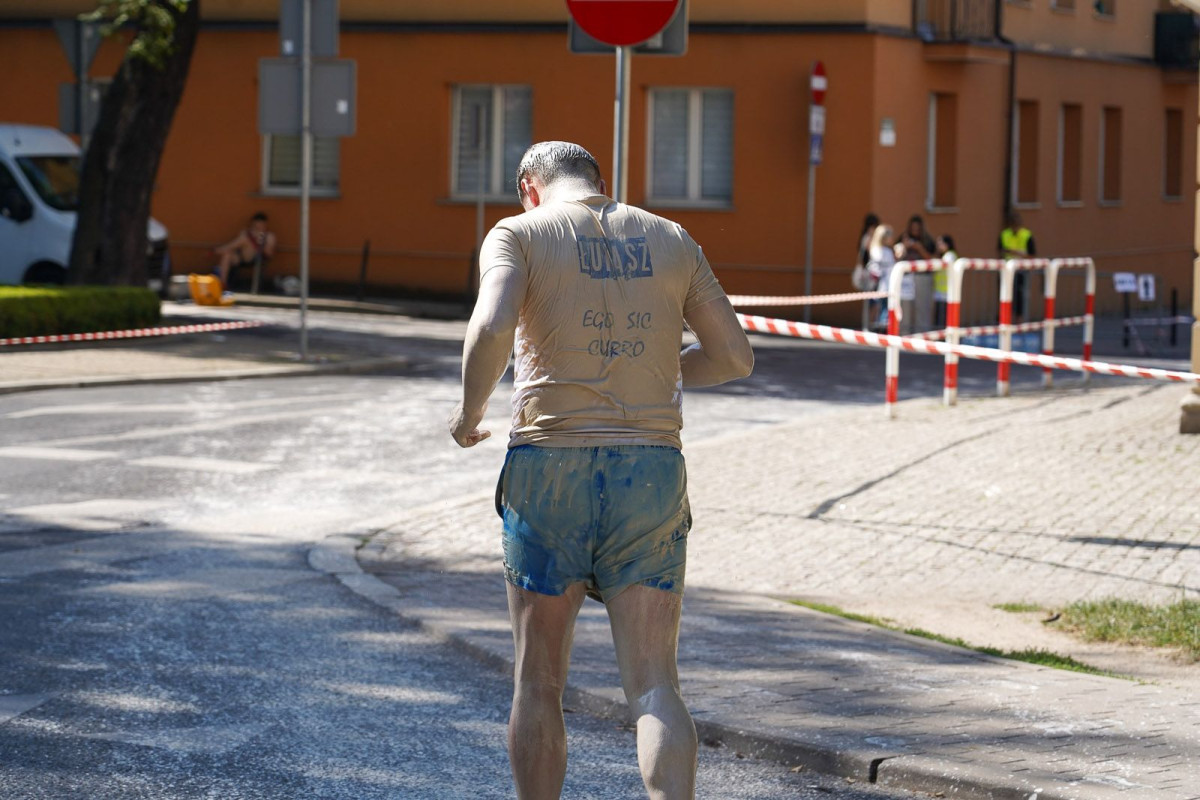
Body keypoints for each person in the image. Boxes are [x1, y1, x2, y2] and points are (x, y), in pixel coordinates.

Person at [448, 141, 753, 800]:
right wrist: (664, 372)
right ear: (600, 183)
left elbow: (494, 323)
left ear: (530, 186)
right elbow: (733, 357)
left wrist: (468, 412)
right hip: (649, 472)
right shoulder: (670, 237)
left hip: (548, 468)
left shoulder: (518, 234)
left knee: (538, 682)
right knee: (653, 683)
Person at [214, 212, 275, 289]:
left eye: (260, 225)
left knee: (245, 240)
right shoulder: (246, 234)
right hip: (242, 258)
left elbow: (269, 254)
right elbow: (235, 244)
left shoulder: (270, 236)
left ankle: (220, 250)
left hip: (257, 259)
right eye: (256, 225)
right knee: (227, 254)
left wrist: (261, 242)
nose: (258, 227)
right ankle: (223, 282)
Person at [897, 215, 936, 331]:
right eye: (912, 228)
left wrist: (919, 248)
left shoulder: (928, 240)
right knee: (905, 309)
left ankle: (923, 336)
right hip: (906, 278)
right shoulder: (902, 238)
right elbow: (897, 255)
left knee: (922, 309)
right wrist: (903, 247)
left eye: (917, 229)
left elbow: (931, 259)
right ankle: (904, 336)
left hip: (922, 277)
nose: (914, 231)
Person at [998, 211, 1036, 321]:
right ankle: (1006, 319)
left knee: (1020, 296)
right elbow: (1000, 250)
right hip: (1007, 270)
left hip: (1021, 270)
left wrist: (1016, 253)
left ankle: (1019, 319)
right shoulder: (1005, 234)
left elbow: (1032, 254)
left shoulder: (1026, 235)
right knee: (1006, 294)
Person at [934, 233, 957, 329]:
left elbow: (942, 265)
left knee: (943, 320)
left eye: (940, 243)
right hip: (940, 293)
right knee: (939, 319)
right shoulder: (943, 255)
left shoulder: (950, 255)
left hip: (946, 294)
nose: (938, 246)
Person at [852, 212, 880, 291]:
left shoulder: (864, 236)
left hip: (868, 269)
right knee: (871, 295)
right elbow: (872, 253)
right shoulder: (867, 238)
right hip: (869, 270)